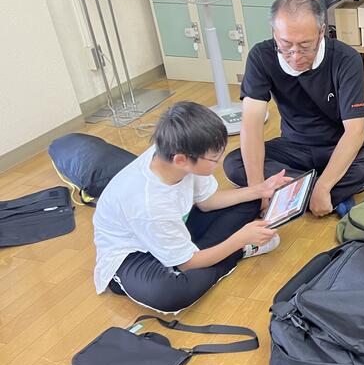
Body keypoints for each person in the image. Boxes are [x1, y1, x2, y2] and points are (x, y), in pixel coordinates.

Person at [93, 101, 290, 314]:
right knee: (171, 294)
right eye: (214, 158)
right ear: (181, 160)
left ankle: (207, 253)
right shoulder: (150, 204)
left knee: (250, 200)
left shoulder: (175, 152)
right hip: (136, 254)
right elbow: (187, 265)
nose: (220, 161)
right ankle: (238, 252)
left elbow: (207, 202)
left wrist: (260, 190)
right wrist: (240, 240)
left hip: (175, 227)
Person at [223, 0, 364, 218]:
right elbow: (251, 125)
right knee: (234, 162)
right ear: (274, 34)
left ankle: (301, 193)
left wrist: (323, 186)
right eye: (286, 44)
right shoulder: (261, 57)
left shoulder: (345, 59)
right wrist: (257, 190)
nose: (295, 55)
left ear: (321, 32)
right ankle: (326, 195)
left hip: (335, 146)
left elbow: (355, 132)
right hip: (293, 146)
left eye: (305, 45)